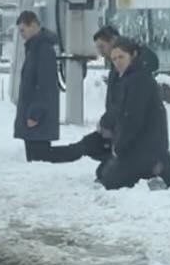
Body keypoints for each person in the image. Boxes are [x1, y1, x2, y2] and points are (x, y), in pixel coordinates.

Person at [40, 27, 126, 173]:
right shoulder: (115, 67)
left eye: (102, 47)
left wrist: (108, 123)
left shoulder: (127, 70)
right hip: (115, 126)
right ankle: (46, 156)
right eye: (98, 48)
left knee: (89, 150)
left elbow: (121, 103)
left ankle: (46, 156)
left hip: (122, 130)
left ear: (113, 41)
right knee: (84, 146)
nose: (100, 52)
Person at [100, 37, 170, 190]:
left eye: (121, 57)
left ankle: (159, 168)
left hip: (147, 145)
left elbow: (132, 118)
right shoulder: (127, 78)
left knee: (111, 179)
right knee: (105, 174)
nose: (117, 62)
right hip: (139, 144)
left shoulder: (138, 79)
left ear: (132, 55)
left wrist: (119, 147)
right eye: (114, 59)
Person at [14, 10, 60, 161]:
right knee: (36, 160)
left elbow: (44, 86)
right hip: (35, 118)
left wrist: (35, 113)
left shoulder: (43, 50)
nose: (21, 35)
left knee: (39, 161)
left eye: (23, 30)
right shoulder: (34, 48)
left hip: (38, 120)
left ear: (33, 25)